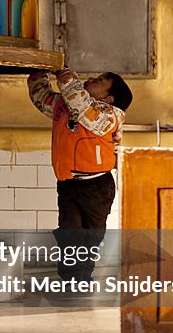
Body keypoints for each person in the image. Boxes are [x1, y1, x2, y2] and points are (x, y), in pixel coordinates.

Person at [27, 68, 133, 280]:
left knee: (90, 235)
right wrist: (37, 72)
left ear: (107, 97)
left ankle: (83, 274)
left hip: (97, 188)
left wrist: (63, 72)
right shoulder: (65, 105)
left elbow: (81, 104)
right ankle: (71, 278)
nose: (91, 79)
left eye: (100, 80)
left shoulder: (108, 115)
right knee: (69, 232)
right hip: (68, 185)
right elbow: (41, 97)